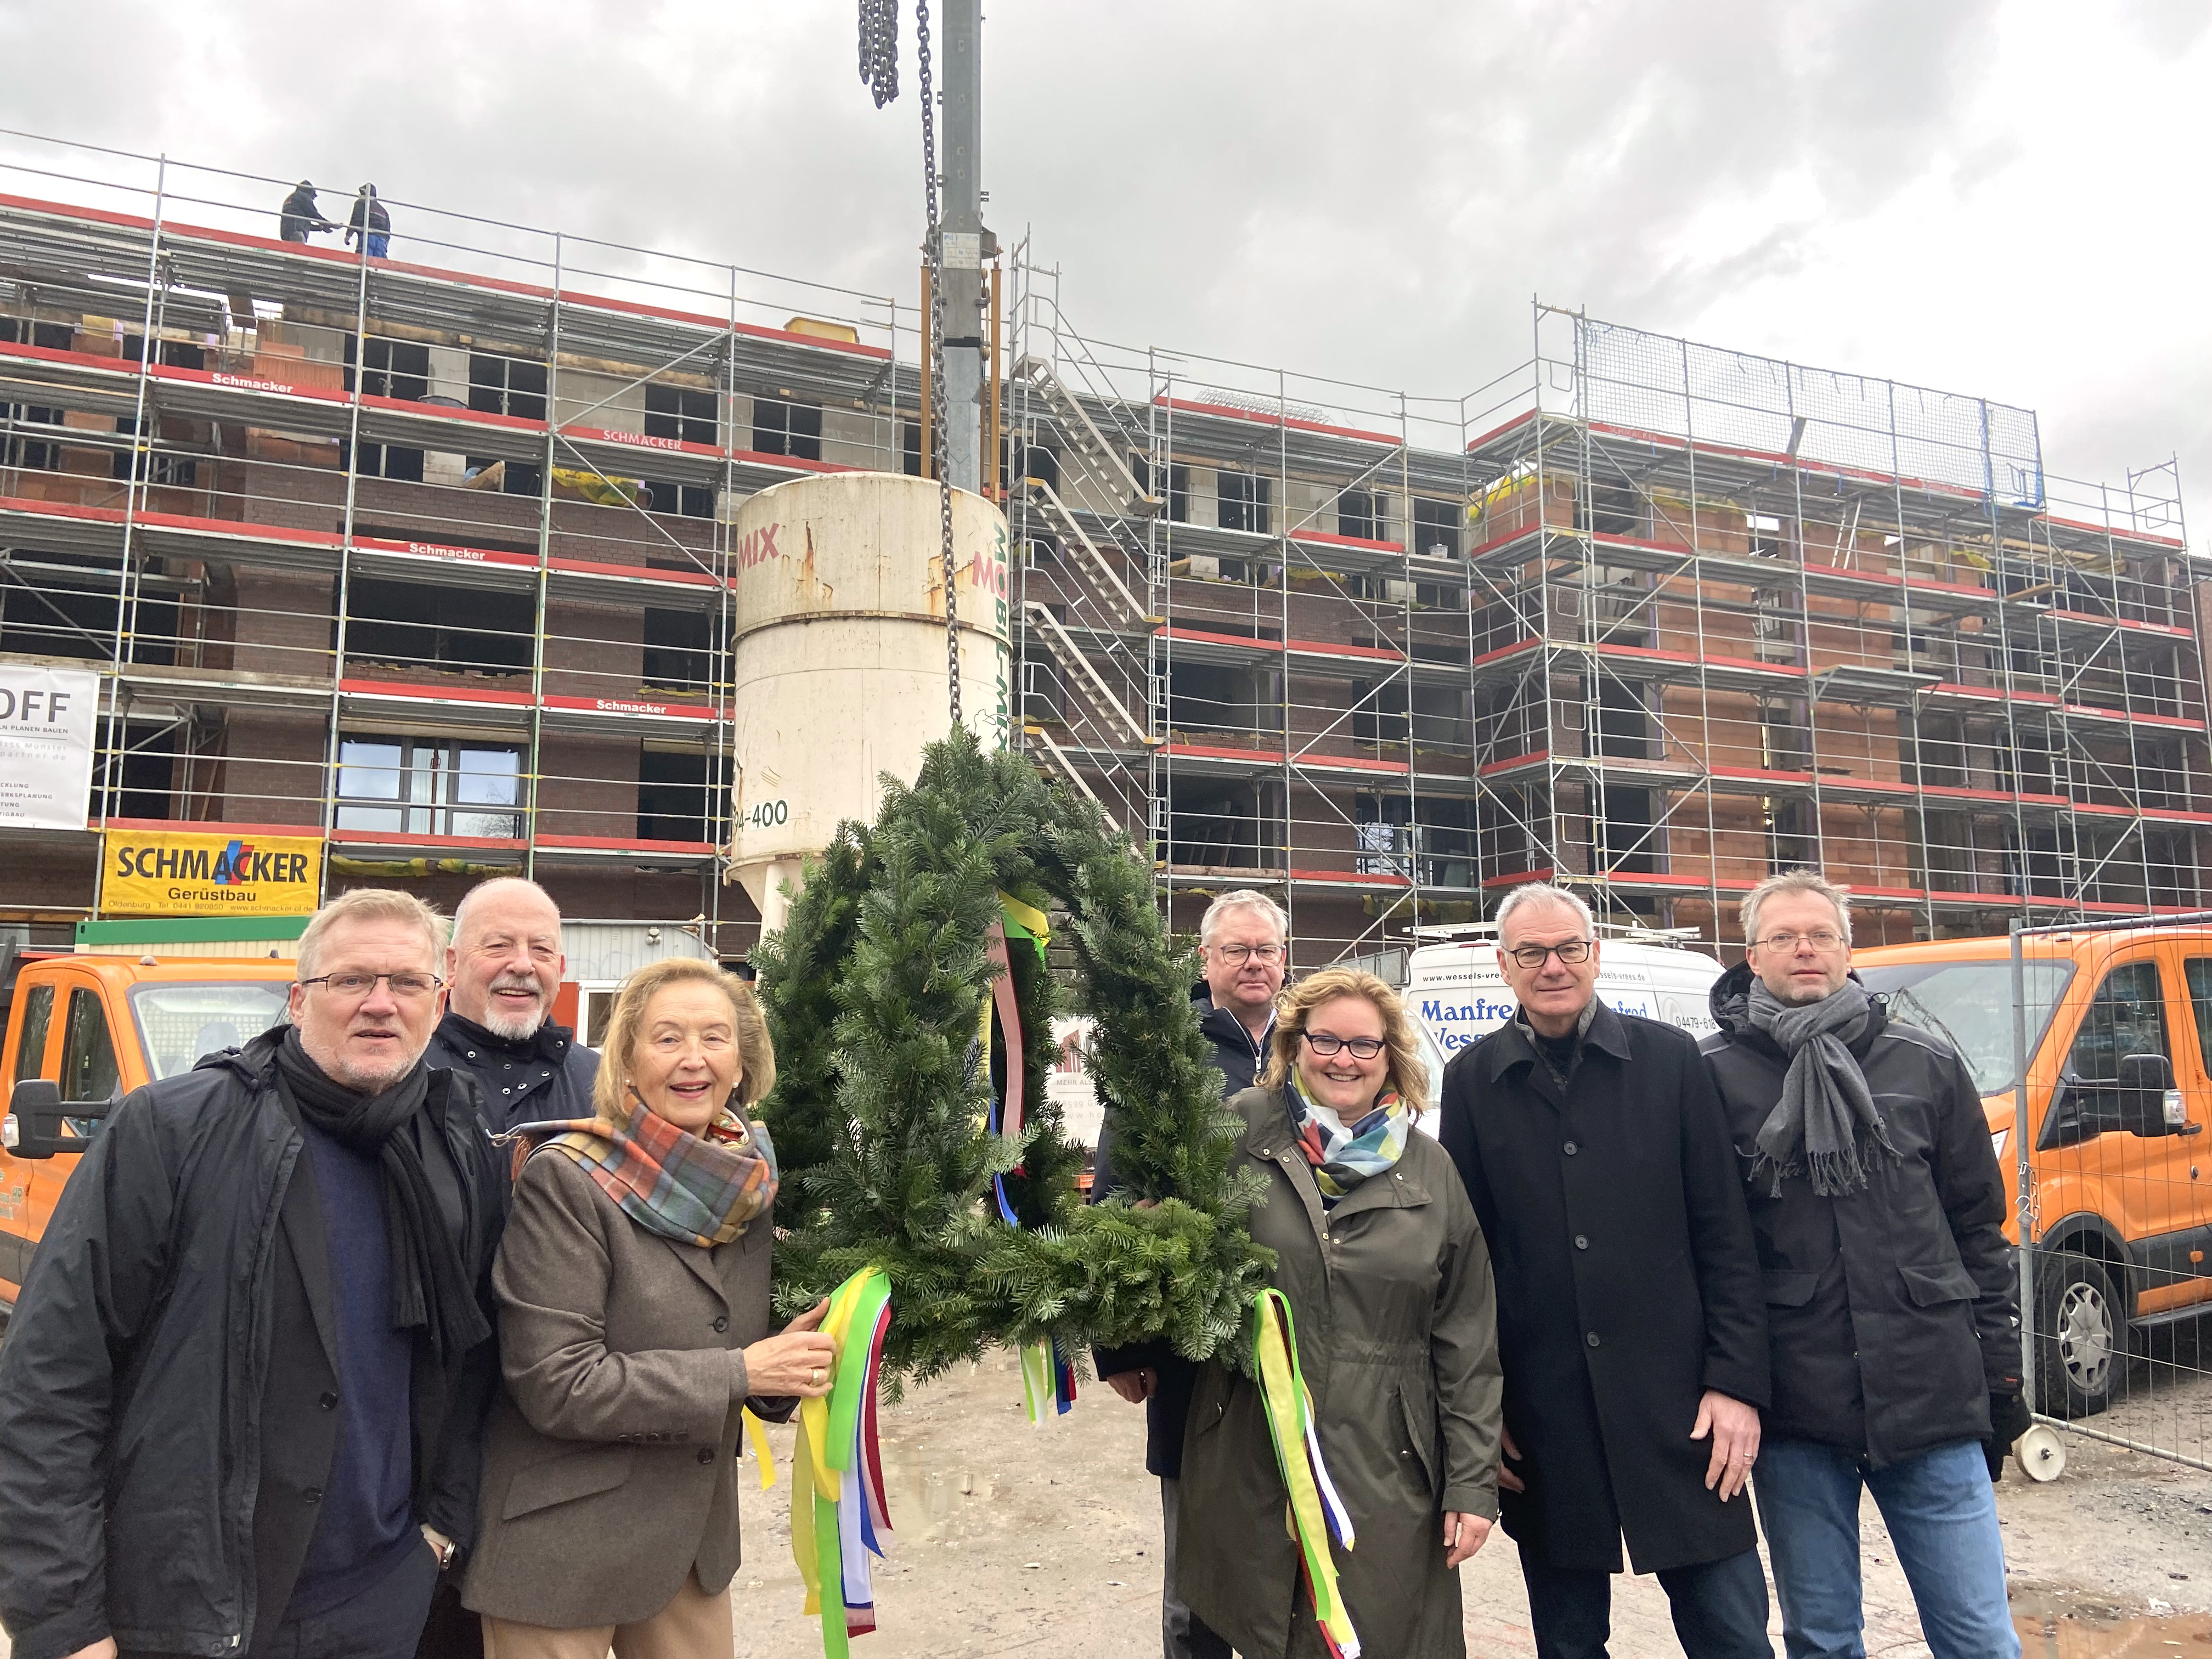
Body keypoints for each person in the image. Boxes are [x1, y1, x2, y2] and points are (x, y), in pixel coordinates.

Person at [0, 888, 504, 1659]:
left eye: (406, 983)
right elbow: (51, 1381)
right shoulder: (172, 1131)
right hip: (189, 1612)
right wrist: (64, 1620)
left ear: (438, 1004)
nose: (380, 1004)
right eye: (352, 981)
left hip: (379, 1597)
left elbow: (473, 1361)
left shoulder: (456, 1145)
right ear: (299, 1000)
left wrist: (438, 1532)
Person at [461, 957, 836, 1657]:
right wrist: (743, 1374)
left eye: (715, 1037)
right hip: (563, 1545)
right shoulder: (568, 1180)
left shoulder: (749, 1179)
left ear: (743, 1061)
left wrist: (789, 1368)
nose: (694, 1059)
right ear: (626, 1061)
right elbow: (557, 1384)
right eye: (668, 1038)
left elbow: (730, 1334)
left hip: (690, 1548)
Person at [1437, 883, 1773, 1659]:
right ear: (1504, 964)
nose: (1552, 966)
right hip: (1545, 1414)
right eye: (1531, 953)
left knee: (1731, 1633)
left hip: (1682, 1408)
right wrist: (1482, 1412)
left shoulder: (1671, 1062)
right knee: (1569, 1641)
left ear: (1596, 955)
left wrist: (1736, 1384)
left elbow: (1724, 1235)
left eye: (1569, 949)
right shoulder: (1473, 1080)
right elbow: (1469, 1262)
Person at [1701, 870, 2025, 1659]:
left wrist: (2003, 1377)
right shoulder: (1711, 1077)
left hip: (1932, 1392)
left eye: (1822, 935)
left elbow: (1978, 1228)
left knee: (1978, 1635)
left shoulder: (1924, 1063)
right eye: (1785, 937)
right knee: (1821, 1638)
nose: (1805, 949)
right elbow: (1709, 1246)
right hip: (1796, 1403)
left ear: (1850, 952)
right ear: (1752, 956)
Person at [1176, 967, 1502, 1658]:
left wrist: (1473, 1483)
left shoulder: (1428, 1168)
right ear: (1293, 1045)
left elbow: (1467, 1339)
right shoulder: (1234, 1135)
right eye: (1325, 1041)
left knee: (1377, 1630)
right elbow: (1160, 1244)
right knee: (1260, 1625)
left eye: (1364, 1045)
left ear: (1391, 1056)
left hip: (1389, 1453)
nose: (1343, 1060)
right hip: (1251, 1444)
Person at [1092, 888, 1287, 1659]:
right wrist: (1119, 1342)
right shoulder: (1166, 1049)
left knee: (1293, 1541)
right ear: (1204, 961)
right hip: (1192, 1339)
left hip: (1297, 1329)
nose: (1252, 964)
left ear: (1285, 958)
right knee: (1197, 1576)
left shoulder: (1314, 1047)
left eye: (1265, 949)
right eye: (1235, 950)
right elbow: (1111, 1198)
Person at [426, 878, 598, 1135]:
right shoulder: (402, 1071)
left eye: (541, 949)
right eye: (499, 946)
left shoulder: (600, 1082)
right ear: (453, 964)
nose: (522, 965)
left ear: (561, 969)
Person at [280, 179, 336, 244]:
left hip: (287, 233)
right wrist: (330, 224)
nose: (313, 199)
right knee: (298, 251)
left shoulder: (293, 198)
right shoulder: (302, 196)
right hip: (297, 232)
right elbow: (313, 214)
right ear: (310, 191)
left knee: (290, 252)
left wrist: (321, 228)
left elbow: (306, 225)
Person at [347, 185, 392, 259]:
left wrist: (348, 235)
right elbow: (388, 229)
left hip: (368, 237)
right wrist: (385, 243)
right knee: (379, 265)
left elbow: (356, 219)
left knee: (364, 260)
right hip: (382, 241)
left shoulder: (362, 202)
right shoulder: (384, 211)